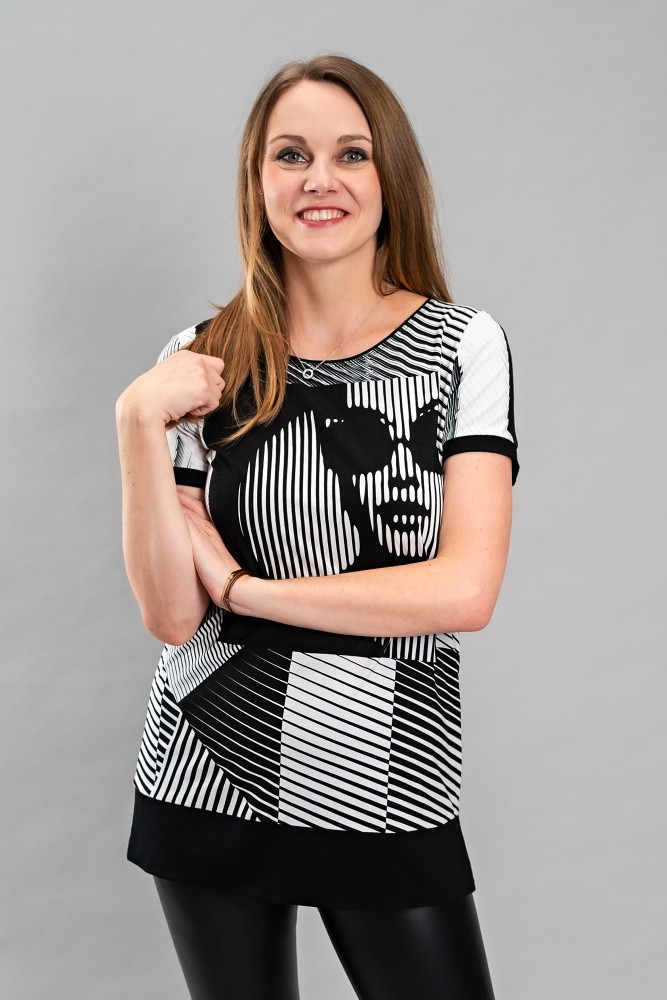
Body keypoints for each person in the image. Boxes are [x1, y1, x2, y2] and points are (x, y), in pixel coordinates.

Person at [115, 53, 519, 1000]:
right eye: (289, 155)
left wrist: (242, 589)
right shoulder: (198, 361)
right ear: (256, 182)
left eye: (350, 154)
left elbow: (463, 593)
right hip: (208, 764)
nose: (318, 180)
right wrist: (135, 421)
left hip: (387, 775)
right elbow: (172, 618)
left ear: (390, 178)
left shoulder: (462, 347)